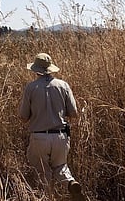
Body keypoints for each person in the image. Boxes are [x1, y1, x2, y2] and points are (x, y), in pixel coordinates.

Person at [19, 53, 86, 201]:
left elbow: (23, 117)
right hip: (61, 135)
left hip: (39, 136)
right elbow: (74, 113)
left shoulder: (31, 88)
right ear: (50, 69)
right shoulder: (64, 85)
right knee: (61, 166)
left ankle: (48, 197)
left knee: (42, 172)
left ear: (35, 70)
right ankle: (70, 183)